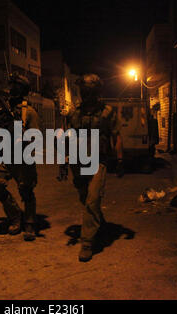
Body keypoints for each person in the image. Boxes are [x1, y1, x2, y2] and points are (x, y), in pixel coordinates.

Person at [60, 74, 123, 262]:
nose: (86, 95)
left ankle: (87, 242)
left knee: (93, 199)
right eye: (84, 92)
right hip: (77, 161)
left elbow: (116, 136)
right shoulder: (74, 113)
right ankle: (99, 223)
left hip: (98, 160)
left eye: (90, 91)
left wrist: (120, 160)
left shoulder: (108, 112)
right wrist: (63, 161)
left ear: (97, 92)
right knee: (84, 197)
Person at [0, 73, 39, 241]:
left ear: (23, 90)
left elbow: (35, 137)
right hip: (4, 155)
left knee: (26, 191)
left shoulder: (30, 112)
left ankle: (29, 224)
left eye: (17, 86)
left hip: (22, 157)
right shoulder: (1, 110)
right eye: (12, 85)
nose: (13, 89)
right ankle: (14, 217)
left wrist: (24, 137)